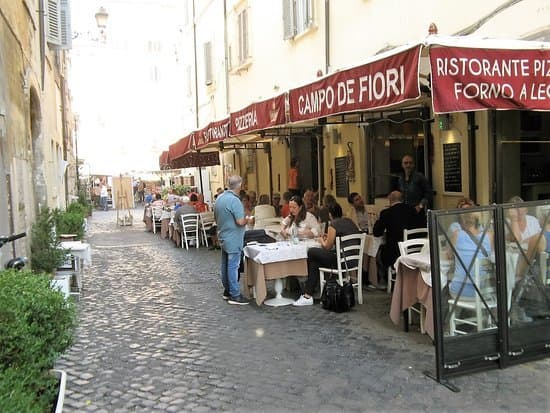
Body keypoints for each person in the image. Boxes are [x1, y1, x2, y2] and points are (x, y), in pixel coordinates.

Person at [294, 202, 360, 306]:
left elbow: (327, 247)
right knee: (315, 261)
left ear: (330, 214)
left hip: (341, 260)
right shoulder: (350, 221)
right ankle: (308, 294)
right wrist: (328, 237)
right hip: (353, 261)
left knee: (311, 252)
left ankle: (308, 291)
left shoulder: (333, 224)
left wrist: (321, 240)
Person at [214, 175, 253, 305]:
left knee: (225, 264)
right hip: (234, 237)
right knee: (233, 266)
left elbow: (216, 217)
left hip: (223, 235)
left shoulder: (220, 198)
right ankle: (235, 294)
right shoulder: (235, 200)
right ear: (239, 185)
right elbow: (240, 221)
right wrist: (248, 219)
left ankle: (227, 291)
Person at [372, 191, 419, 285]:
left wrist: (378, 220)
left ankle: (386, 279)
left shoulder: (386, 213)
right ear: (402, 199)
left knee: (377, 253)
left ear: (390, 200)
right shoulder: (412, 210)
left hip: (395, 252)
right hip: (414, 249)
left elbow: (376, 233)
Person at [449, 209, 494, 299]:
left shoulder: (456, 234)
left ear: (464, 220)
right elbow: (491, 256)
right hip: (482, 292)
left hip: (458, 291)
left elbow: (449, 255)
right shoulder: (490, 235)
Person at [397, 154, 432, 218]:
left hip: (417, 212)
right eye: (406, 163)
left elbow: (429, 193)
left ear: (413, 165)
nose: (408, 165)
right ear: (402, 165)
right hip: (404, 212)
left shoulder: (420, 177)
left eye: (410, 163)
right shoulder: (400, 179)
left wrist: (420, 206)